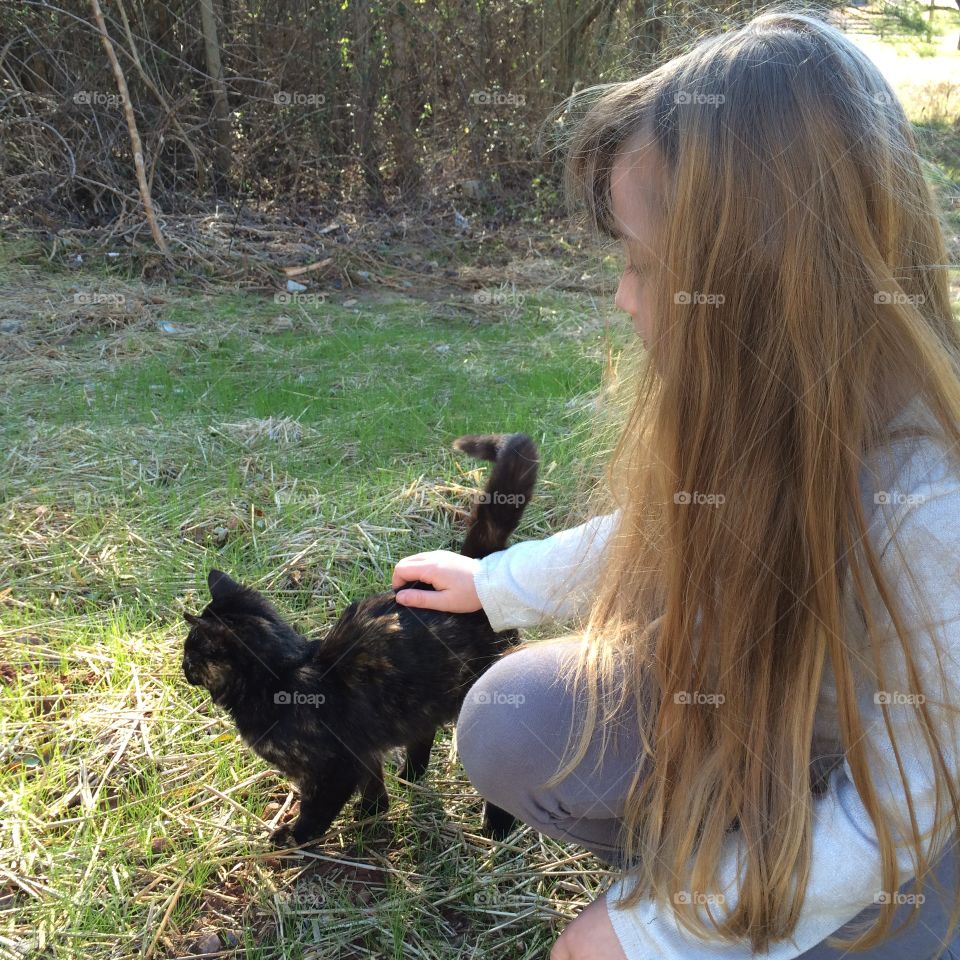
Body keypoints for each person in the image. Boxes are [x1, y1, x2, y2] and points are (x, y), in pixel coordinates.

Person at [392, 8, 960, 959]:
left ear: (770, 285)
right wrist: (495, 583)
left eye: (647, 267)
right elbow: (658, 531)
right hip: (768, 731)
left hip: (913, 815)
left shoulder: (929, 507)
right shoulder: (753, 398)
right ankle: (743, 882)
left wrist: (657, 935)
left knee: (882, 916)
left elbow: (897, 813)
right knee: (511, 720)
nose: (623, 296)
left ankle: (808, 913)